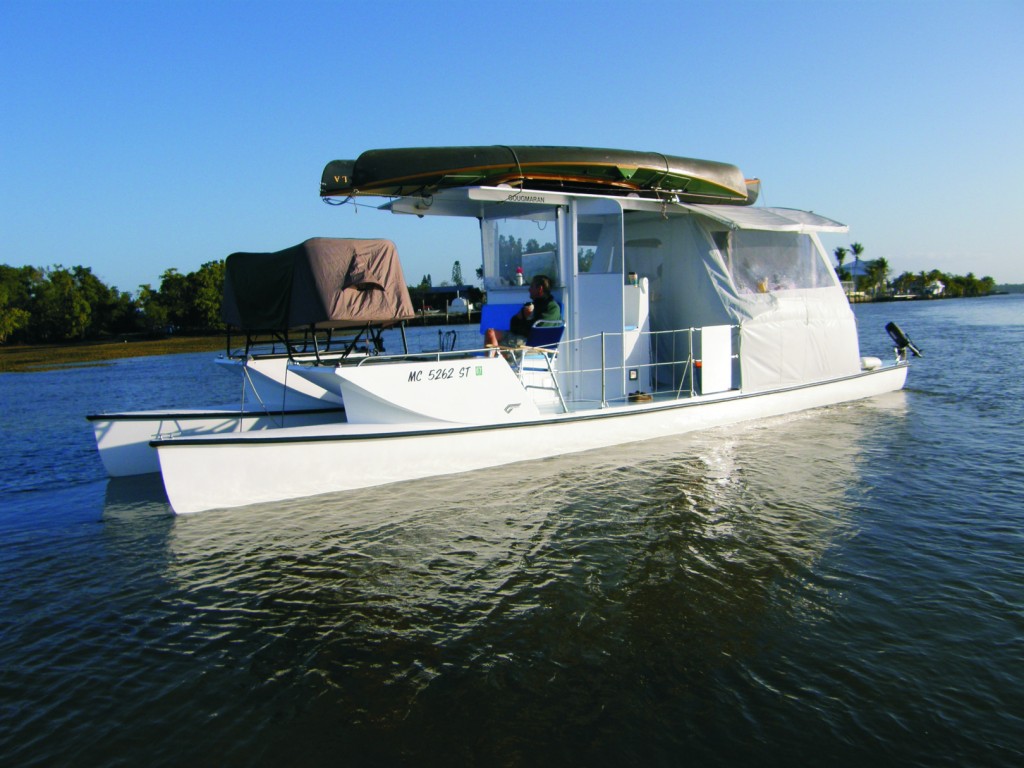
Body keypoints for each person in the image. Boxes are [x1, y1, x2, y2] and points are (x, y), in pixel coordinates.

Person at [484, 274, 561, 348]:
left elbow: (536, 332)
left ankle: (494, 358)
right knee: (490, 333)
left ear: (540, 289)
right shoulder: (531, 305)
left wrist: (522, 322)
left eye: (532, 287)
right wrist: (521, 315)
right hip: (520, 336)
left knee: (499, 345)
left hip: (532, 344)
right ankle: (490, 359)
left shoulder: (552, 308)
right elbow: (512, 326)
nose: (529, 289)